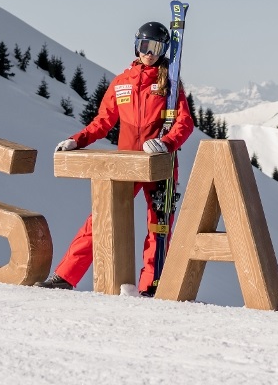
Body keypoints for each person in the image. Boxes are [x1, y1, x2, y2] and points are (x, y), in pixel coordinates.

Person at [37, 21, 195, 296]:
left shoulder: (168, 83)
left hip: (157, 163)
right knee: (100, 219)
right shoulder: (122, 83)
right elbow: (103, 121)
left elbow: (185, 122)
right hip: (125, 162)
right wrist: (79, 139)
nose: (150, 52)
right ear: (137, 45)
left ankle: (150, 287)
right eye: (146, 45)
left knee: (158, 226)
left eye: (157, 47)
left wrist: (166, 143)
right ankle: (65, 276)